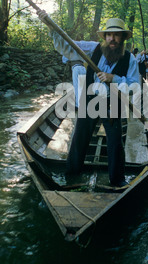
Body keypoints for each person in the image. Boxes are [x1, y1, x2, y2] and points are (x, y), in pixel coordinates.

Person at [37, 12, 140, 187]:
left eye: (116, 35)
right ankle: (72, 173)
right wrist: (51, 26)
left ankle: (117, 180)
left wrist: (113, 78)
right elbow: (68, 46)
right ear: (105, 36)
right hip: (90, 99)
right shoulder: (93, 48)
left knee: (115, 142)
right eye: (109, 35)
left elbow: (134, 86)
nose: (112, 39)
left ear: (123, 37)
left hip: (113, 103)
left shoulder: (130, 59)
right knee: (80, 137)